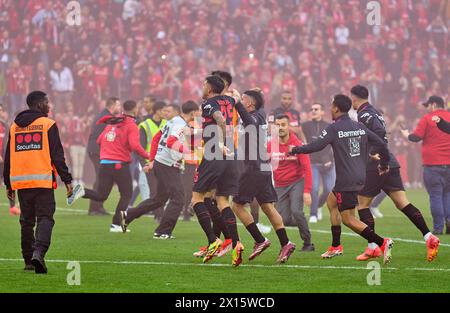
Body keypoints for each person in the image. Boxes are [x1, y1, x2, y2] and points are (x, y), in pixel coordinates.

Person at [289, 94, 394, 265]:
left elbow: (317, 145)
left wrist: (296, 150)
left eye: (331, 106)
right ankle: (336, 246)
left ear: (336, 108)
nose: (330, 108)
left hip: (346, 180)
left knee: (348, 219)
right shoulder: (359, 126)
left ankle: (382, 242)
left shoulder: (334, 128)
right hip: (358, 176)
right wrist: (384, 162)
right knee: (331, 202)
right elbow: (382, 143)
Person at [350, 85, 439, 262]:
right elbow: (382, 134)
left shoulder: (365, 114)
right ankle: (429, 237)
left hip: (377, 164)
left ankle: (373, 247)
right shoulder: (375, 112)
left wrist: (373, 154)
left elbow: (380, 134)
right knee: (402, 203)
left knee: (362, 204)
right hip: (390, 161)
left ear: (354, 98)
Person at [3, 91, 73, 274]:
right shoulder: (48, 124)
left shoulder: (14, 126)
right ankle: (39, 253)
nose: (49, 106)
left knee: (26, 222)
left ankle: (28, 260)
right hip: (42, 181)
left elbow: (8, 156)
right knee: (45, 218)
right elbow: (57, 156)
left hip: (22, 183)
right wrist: (67, 180)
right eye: (47, 102)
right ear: (39, 104)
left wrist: (8, 184)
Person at [231, 90, 297, 266]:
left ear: (250, 104)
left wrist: (237, 103)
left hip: (253, 168)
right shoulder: (258, 115)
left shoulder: (255, 117)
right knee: (267, 206)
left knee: (236, 206)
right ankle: (286, 243)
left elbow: (249, 124)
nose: (240, 101)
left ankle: (259, 240)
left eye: (243, 99)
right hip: (263, 166)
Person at [68, 100, 151, 233]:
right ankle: (116, 224)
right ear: (135, 110)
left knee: (101, 195)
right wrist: (148, 156)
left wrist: (110, 150)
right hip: (119, 164)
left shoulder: (113, 122)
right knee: (126, 194)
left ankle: (80, 191)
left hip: (105, 163)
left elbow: (100, 140)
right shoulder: (131, 125)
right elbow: (135, 146)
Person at [120, 101, 200, 238]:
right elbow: (170, 142)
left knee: (159, 199)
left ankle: (128, 215)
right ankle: (162, 231)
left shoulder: (174, 121)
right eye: (198, 111)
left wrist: (152, 159)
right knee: (178, 198)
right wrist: (188, 150)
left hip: (160, 163)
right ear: (193, 113)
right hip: (168, 165)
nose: (199, 114)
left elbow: (157, 138)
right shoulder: (180, 125)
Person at [191, 75, 241, 264]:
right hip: (230, 155)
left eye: (204, 84)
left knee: (197, 198)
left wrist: (219, 142)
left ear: (210, 88)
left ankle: (213, 241)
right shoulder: (229, 100)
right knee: (221, 200)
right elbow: (235, 100)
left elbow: (220, 119)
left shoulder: (208, 103)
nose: (202, 87)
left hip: (215, 152)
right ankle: (235, 243)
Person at [401, 96, 450, 235]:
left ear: (433, 105)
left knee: (435, 195)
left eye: (428, 105)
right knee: (448, 194)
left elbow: (416, 137)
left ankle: (438, 228)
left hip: (432, 164)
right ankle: (449, 222)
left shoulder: (427, 118)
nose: (427, 108)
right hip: (449, 163)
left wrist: (406, 135)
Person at [269, 114, 314, 252]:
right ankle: (301, 221)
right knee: (284, 219)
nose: (280, 128)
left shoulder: (298, 145)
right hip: (279, 185)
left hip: (296, 182)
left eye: (283, 125)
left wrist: (307, 191)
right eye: (277, 125)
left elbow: (307, 168)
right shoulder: (270, 145)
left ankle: (308, 243)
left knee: (296, 211)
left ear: (289, 126)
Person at [86, 97, 121, 216]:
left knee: (103, 179)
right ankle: (95, 208)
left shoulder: (103, 115)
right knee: (102, 179)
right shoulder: (107, 118)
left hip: (96, 150)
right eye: (118, 105)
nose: (120, 108)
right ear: (113, 105)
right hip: (97, 151)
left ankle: (97, 206)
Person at [302, 103, 336, 223]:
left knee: (329, 190)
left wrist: (330, 159)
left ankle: (319, 206)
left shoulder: (329, 126)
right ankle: (313, 214)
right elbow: (300, 137)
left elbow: (334, 144)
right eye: (311, 109)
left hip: (328, 163)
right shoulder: (305, 126)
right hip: (313, 162)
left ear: (322, 112)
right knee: (314, 189)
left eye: (316, 109)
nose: (313, 111)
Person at [137, 100, 167, 221]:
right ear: (157, 111)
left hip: (164, 163)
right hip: (150, 163)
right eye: (164, 111)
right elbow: (140, 147)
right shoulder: (145, 125)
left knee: (164, 191)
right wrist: (144, 164)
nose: (166, 113)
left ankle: (158, 214)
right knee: (154, 191)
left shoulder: (167, 123)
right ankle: (158, 215)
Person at [0, 103, 19, 215]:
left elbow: (7, 142)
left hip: (5, 160)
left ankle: (12, 207)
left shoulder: (5, 126)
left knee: (10, 183)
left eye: (1, 110)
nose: (0, 112)